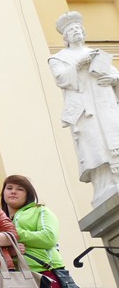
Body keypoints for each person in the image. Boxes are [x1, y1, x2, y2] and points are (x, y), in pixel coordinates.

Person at [48, 11, 119, 206]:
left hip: (106, 105)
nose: (76, 31)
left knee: (114, 137)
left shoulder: (97, 53)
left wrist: (113, 79)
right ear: (66, 37)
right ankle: (104, 185)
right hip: (85, 111)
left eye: (78, 28)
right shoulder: (58, 58)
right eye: (72, 30)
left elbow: (115, 74)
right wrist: (79, 64)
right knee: (95, 145)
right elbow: (62, 79)